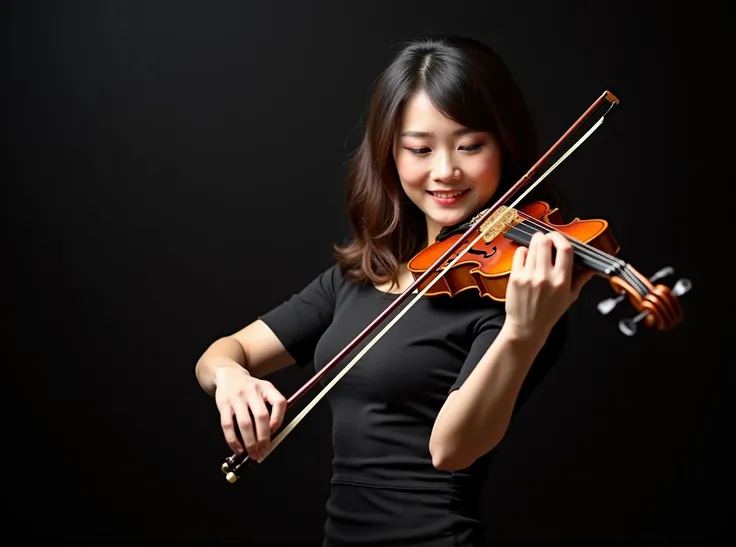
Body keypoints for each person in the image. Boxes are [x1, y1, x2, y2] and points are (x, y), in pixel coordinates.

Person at [195, 34, 594, 547]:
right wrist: (231, 378)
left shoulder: (516, 298)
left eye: (470, 146)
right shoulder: (359, 277)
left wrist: (522, 331)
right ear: (390, 155)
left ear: (505, 145)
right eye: (419, 149)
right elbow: (222, 354)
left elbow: (452, 449)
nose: (445, 171)